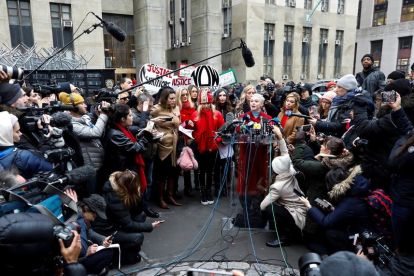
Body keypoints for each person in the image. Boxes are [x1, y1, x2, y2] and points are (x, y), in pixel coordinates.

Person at [292, 132, 354, 254]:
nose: (321, 146)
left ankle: (316, 242)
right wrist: (314, 141)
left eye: (323, 145)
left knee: (313, 220)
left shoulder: (323, 167)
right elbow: (322, 155)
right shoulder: (341, 160)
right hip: (330, 200)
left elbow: (297, 162)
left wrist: (300, 144)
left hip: (318, 199)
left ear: (329, 152)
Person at [299, 166, 374, 254]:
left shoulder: (350, 202)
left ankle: (338, 253)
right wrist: (332, 208)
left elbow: (325, 222)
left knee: (330, 233)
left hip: (358, 237)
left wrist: (309, 207)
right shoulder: (357, 188)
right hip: (360, 229)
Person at [100, 170, 162, 264]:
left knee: (141, 216)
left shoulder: (121, 190)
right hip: (107, 230)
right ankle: (117, 256)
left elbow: (137, 211)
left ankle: (130, 248)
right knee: (138, 237)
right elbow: (128, 225)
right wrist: (151, 226)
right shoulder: (116, 198)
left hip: (117, 222)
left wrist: (138, 195)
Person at [260, 126, 307, 248]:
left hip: (297, 213)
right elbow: (285, 152)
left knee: (267, 210)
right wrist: (280, 137)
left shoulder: (278, 186)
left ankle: (284, 237)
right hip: (302, 206)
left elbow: (263, 206)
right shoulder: (289, 170)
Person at [59, 92, 110, 194]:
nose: (85, 105)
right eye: (82, 103)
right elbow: (95, 133)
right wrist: (103, 116)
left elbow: (100, 133)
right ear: (73, 108)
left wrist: (100, 116)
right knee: (91, 195)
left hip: (97, 164)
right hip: (88, 167)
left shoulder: (85, 119)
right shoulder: (72, 125)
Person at [235, 94, 272, 228]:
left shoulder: (267, 119)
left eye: (256, 101)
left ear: (262, 104)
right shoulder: (242, 118)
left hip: (261, 157)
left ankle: (257, 210)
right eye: (251, 101)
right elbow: (237, 134)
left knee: (259, 180)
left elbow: (271, 136)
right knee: (245, 181)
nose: (253, 103)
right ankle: (245, 210)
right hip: (246, 156)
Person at [100, 104, 151, 193]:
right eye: (130, 116)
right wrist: (147, 135)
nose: (133, 118)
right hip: (121, 172)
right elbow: (135, 148)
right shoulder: (115, 134)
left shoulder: (121, 129)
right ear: (122, 119)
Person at [387, 93, 414, 255]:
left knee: (403, 245)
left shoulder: (411, 150)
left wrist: (403, 141)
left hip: (406, 202)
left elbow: (394, 162)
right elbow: (409, 130)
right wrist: (397, 108)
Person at [65, 190, 113, 275]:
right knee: (107, 254)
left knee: (105, 269)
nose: (94, 219)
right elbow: (67, 256)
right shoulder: (75, 219)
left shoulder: (81, 218)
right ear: (86, 209)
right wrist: (86, 253)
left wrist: (103, 239)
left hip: (80, 256)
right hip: (74, 261)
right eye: (94, 216)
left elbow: (89, 231)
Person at [190, 88, 225, 205]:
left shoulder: (217, 114)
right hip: (200, 146)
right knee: (201, 171)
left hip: (213, 146)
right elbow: (191, 130)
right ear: (200, 103)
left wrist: (217, 140)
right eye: (203, 103)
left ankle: (209, 192)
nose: (205, 105)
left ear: (211, 102)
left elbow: (222, 130)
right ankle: (202, 192)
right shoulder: (195, 114)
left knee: (210, 171)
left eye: (207, 103)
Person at [150, 86, 182, 209]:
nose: (174, 100)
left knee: (174, 171)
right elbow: (148, 121)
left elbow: (178, 123)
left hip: (175, 143)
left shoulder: (176, 108)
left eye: (174, 98)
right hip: (163, 145)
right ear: (165, 98)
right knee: (162, 173)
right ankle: (160, 198)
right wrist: (154, 124)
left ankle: (170, 196)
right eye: (171, 98)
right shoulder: (157, 109)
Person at [0, 111, 53, 179]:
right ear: (6, 134)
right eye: (17, 131)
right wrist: (48, 141)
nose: (21, 134)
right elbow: (52, 168)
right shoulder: (23, 157)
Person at [131, 93, 159, 218]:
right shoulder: (131, 115)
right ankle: (138, 208)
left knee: (148, 182)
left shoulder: (149, 115)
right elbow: (139, 132)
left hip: (150, 153)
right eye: (149, 107)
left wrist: (155, 134)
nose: (151, 109)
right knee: (138, 184)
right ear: (141, 104)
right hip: (139, 155)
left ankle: (146, 206)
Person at [176, 86, 198, 197]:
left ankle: (188, 187)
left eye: (186, 95)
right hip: (179, 139)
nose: (185, 97)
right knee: (178, 165)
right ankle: (175, 190)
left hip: (190, 139)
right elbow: (176, 125)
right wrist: (185, 123)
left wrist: (191, 138)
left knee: (189, 164)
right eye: (182, 95)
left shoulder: (192, 108)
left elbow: (196, 124)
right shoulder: (176, 108)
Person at [213, 88, 235, 196]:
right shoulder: (213, 109)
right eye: (220, 95)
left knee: (227, 164)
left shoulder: (230, 110)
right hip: (216, 139)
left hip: (227, 140)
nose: (222, 98)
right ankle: (217, 186)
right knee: (217, 165)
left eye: (224, 95)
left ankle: (225, 185)